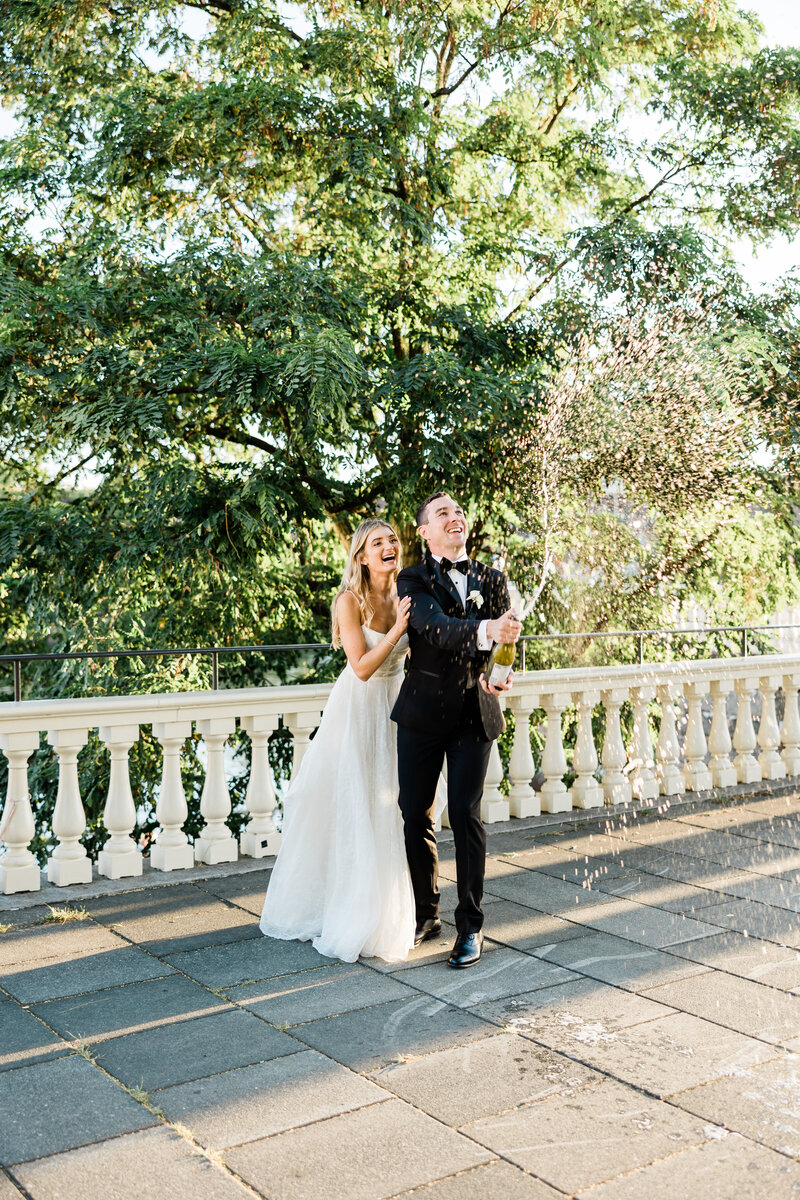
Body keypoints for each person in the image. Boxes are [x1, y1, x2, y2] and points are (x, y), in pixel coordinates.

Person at [260, 518, 419, 963]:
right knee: (354, 805)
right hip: (358, 708)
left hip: (397, 708)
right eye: (377, 542)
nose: (389, 546)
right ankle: (346, 909)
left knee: (389, 808)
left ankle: (386, 910)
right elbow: (362, 667)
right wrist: (397, 628)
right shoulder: (348, 601)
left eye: (392, 539)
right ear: (362, 557)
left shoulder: (408, 592)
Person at [392, 492, 520, 969]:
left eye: (459, 511)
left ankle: (471, 927)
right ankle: (426, 914)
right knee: (414, 813)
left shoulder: (493, 579)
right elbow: (437, 629)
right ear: (425, 531)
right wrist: (488, 629)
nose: (455, 517)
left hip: (474, 714)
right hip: (422, 715)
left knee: (466, 816)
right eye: (442, 513)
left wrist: (503, 671)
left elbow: (503, 645)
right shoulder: (412, 579)